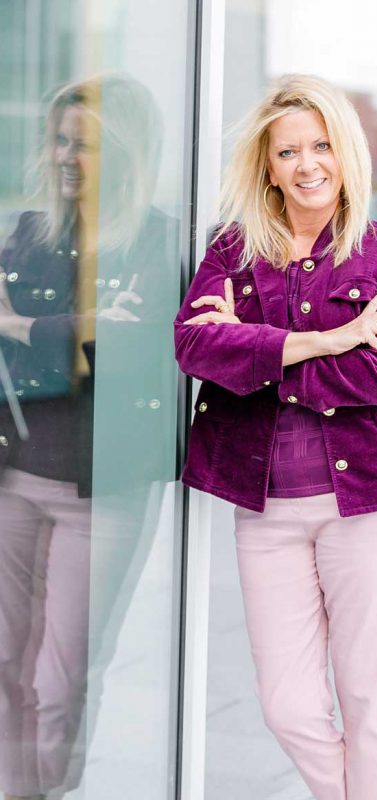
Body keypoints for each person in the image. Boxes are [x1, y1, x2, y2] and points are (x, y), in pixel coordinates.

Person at [174, 74, 377, 800]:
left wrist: (256, 351)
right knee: (288, 706)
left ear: (345, 151)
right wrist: (326, 339)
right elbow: (194, 349)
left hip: (375, 501)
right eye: (288, 151)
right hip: (268, 510)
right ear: (267, 166)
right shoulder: (233, 251)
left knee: (369, 699)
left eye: (321, 145)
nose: (308, 165)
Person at [0, 73, 177, 800]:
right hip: (14, 476)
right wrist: (75, 332)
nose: (67, 156)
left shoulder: (159, 242)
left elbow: (128, 351)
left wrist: (17, 325)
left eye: (88, 145)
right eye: (62, 140)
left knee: (61, 678)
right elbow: (86, 344)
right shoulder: (31, 233)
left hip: (102, 488)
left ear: (128, 154)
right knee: (7, 663)